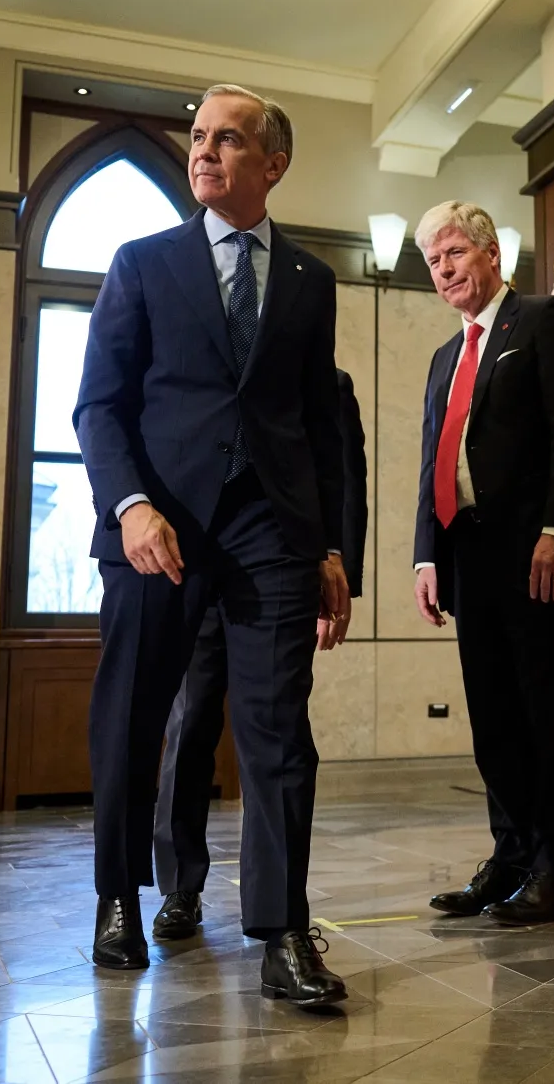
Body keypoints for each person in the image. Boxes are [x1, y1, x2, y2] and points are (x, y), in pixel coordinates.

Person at [74, 83, 350, 1008]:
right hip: (160, 532)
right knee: (135, 717)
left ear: (271, 164)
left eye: (227, 140)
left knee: (278, 732)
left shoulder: (311, 282)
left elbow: (320, 424)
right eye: (198, 138)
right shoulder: (142, 263)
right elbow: (99, 406)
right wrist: (129, 507)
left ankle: (280, 933)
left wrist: (330, 548)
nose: (205, 152)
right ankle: (121, 896)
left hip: (271, 531)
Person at [412, 201, 554, 925]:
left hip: (538, 555)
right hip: (469, 557)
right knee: (494, 719)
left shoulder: (543, 319)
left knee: (547, 712)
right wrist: (425, 557)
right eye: (433, 262)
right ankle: (511, 856)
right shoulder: (445, 357)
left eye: (455, 253)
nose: (444, 271)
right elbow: (433, 462)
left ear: (492, 253)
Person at [152, 370, 368, 942]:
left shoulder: (328, 380)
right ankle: (180, 887)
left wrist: (338, 569)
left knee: (278, 730)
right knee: (191, 717)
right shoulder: (191, 371)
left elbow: (343, 476)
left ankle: (278, 921)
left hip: (279, 568)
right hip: (193, 562)